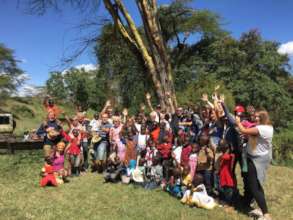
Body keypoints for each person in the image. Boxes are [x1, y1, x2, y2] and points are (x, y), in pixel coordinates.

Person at [236, 110, 273, 220]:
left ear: (263, 118)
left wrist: (238, 122)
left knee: (254, 187)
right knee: (256, 185)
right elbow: (252, 136)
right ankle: (260, 209)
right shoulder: (264, 127)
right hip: (253, 157)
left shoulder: (263, 128)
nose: (255, 118)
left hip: (257, 160)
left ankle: (266, 215)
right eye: (255, 117)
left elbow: (242, 130)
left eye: (257, 117)